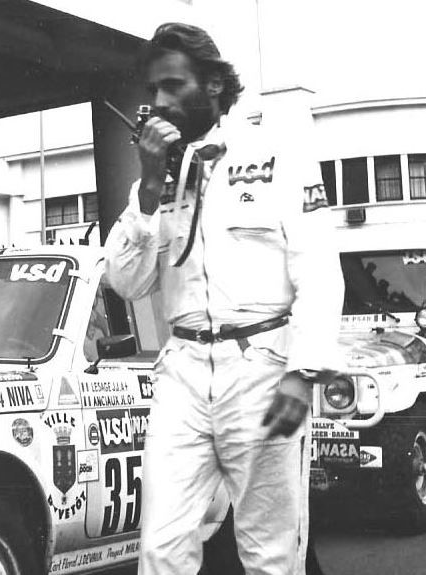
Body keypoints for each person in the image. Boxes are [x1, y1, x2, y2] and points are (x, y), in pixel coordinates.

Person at [103, 23, 344, 575]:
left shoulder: (277, 155)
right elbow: (125, 281)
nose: (160, 102)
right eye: (154, 90)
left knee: (269, 550)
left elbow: (318, 269)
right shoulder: (161, 176)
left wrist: (301, 374)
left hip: (261, 366)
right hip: (183, 372)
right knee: (161, 546)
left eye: (173, 86)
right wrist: (147, 187)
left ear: (212, 85)